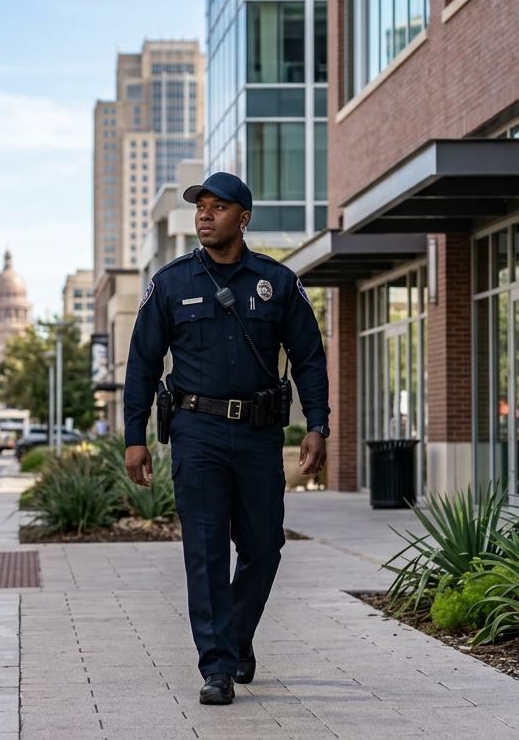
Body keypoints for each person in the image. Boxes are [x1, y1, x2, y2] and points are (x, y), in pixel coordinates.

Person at [123, 172, 329, 707]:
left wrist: (318, 425)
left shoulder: (277, 282)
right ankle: (217, 667)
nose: (205, 215)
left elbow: (309, 357)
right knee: (207, 552)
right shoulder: (169, 284)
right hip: (197, 431)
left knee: (264, 547)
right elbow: (142, 363)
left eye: (218, 207)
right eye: (201, 208)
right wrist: (134, 436)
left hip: (260, 434)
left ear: (244, 217)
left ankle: (236, 637)